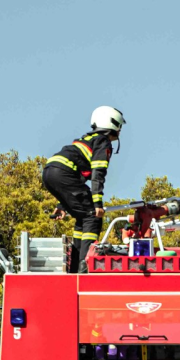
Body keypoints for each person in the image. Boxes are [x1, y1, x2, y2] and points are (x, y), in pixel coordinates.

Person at [43, 106, 124, 272]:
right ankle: (85, 267)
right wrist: (97, 204)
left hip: (50, 173)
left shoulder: (85, 140)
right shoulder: (102, 141)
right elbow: (98, 173)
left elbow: (77, 181)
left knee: (83, 217)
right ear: (113, 123)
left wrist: (62, 205)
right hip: (63, 173)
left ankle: (74, 268)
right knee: (92, 217)